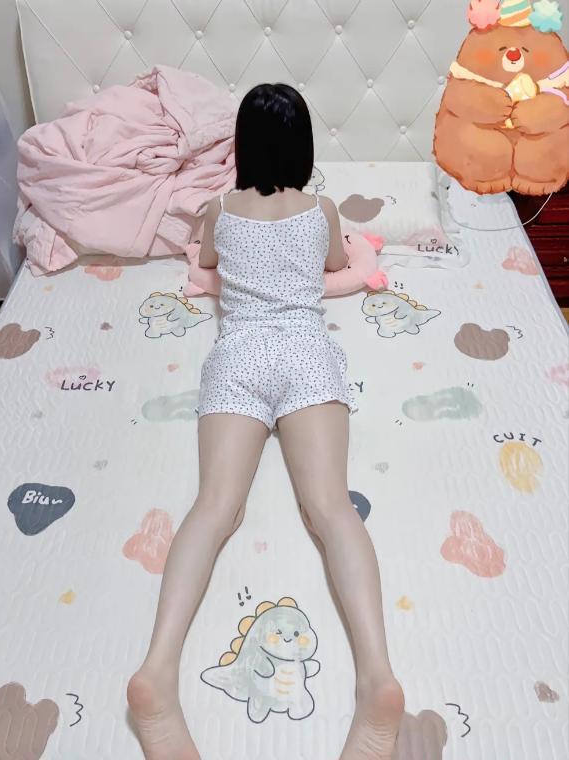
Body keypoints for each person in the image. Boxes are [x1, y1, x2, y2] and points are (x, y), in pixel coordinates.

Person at [127, 83, 404, 760]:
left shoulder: (218, 209)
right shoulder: (321, 209)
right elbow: (336, 265)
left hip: (240, 354)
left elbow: (208, 264)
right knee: (332, 510)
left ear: (242, 147)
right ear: (303, 148)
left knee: (215, 508)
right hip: (306, 354)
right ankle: (377, 676)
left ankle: (157, 670)